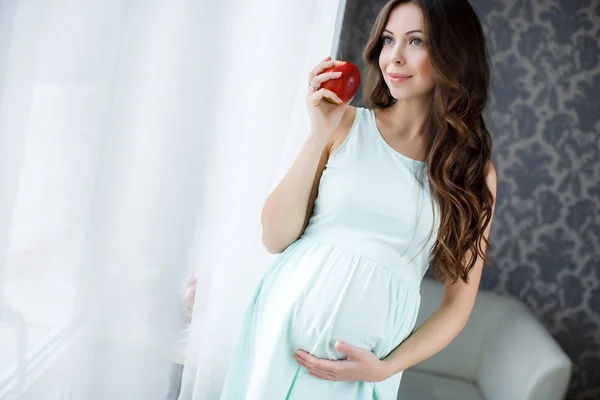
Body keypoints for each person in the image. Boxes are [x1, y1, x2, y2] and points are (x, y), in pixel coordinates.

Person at [220, 0, 497, 398]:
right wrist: (319, 132)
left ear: (454, 52)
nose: (395, 57)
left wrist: (386, 368)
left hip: (360, 370)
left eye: (416, 41)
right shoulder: (344, 124)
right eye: (388, 40)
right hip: (277, 333)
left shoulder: (471, 171)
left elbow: (457, 306)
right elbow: (274, 237)